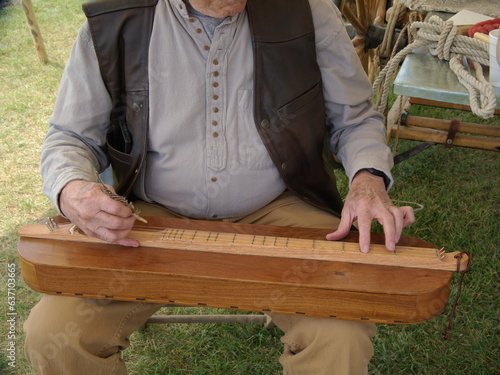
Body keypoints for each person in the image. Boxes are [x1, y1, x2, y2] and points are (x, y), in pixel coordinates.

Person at [24, 0, 415, 374]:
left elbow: (356, 118)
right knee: (53, 335)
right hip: (148, 222)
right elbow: (69, 136)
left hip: (278, 209)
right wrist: (73, 188)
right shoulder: (114, 21)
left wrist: (367, 179)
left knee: (340, 332)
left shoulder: (307, 12)